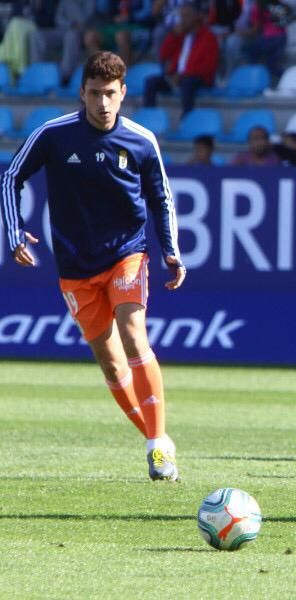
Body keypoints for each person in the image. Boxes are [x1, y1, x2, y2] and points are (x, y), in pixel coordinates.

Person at [0, 51, 185, 481]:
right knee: (110, 363)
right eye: (95, 94)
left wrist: (170, 249)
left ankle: (158, 444)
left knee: (133, 334)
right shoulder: (54, 135)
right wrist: (14, 232)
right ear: (82, 93)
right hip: (75, 264)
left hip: (127, 252)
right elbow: (11, 177)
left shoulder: (141, 140)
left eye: (110, 94)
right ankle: (155, 440)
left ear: (124, 94)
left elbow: (161, 198)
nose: (102, 103)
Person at [142, 1, 218, 118]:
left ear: (197, 17)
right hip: (178, 77)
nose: (182, 20)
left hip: (198, 80)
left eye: (186, 16)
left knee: (188, 83)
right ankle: (149, 117)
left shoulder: (209, 37)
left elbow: (208, 67)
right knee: (151, 82)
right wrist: (173, 35)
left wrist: (182, 76)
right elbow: (164, 55)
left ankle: (186, 118)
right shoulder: (179, 36)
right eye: (181, 16)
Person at [27, 0, 93, 84]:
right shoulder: (64, 1)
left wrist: (70, 4)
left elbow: (86, 18)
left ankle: (65, 75)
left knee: (71, 35)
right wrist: (69, 24)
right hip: (63, 29)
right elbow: (58, 19)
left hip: (81, 32)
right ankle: (37, 71)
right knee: (36, 35)